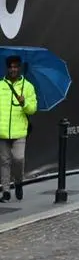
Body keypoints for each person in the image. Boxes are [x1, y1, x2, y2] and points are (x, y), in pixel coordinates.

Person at [0, 56, 37, 202]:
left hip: (20, 131)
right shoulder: (1, 85)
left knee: (18, 159)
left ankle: (19, 182)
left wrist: (24, 103)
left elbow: (32, 109)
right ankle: (6, 191)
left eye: (16, 66)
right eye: (11, 66)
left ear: (19, 68)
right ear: (7, 68)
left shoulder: (28, 87)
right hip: (2, 131)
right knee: (4, 161)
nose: (13, 69)